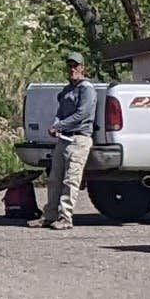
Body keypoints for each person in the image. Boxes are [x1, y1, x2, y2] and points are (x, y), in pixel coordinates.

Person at [40, 53, 103, 229]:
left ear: (82, 68)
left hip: (79, 138)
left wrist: (59, 125)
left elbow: (82, 113)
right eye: (70, 65)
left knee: (71, 180)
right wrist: (56, 125)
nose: (72, 69)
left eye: (76, 65)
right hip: (64, 139)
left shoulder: (87, 89)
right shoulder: (67, 90)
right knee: (54, 179)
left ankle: (65, 218)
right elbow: (60, 112)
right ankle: (50, 215)